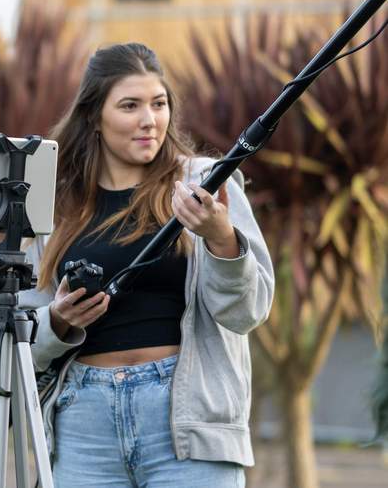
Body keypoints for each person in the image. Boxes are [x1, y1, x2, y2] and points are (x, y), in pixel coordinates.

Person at [22, 43, 275, 487]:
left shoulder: (206, 183)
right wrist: (57, 322)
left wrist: (220, 238)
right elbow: (22, 338)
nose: (149, 119)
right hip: (84, 419)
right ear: (94, 117)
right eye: (130, 106)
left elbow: (247, 312)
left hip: (185, 417)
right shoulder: (54, 204)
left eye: (159, 104)